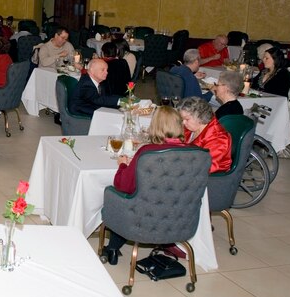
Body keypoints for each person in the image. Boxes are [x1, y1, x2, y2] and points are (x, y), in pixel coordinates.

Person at [98, 106, 189, 265]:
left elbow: (123, 185)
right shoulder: (194, 153)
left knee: (119, 197)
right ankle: (167, 242)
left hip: (144, 216)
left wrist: (122, 166)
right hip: (180, 215)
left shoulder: (148, 152)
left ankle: (112, 247)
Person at [178, 96, 232, 173]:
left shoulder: (218, 137)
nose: (183, 122)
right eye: (182, 119)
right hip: (191, 167)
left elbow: (206, 166)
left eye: (187, 119)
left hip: (211, 177)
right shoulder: (192, 127)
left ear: (200, 117)